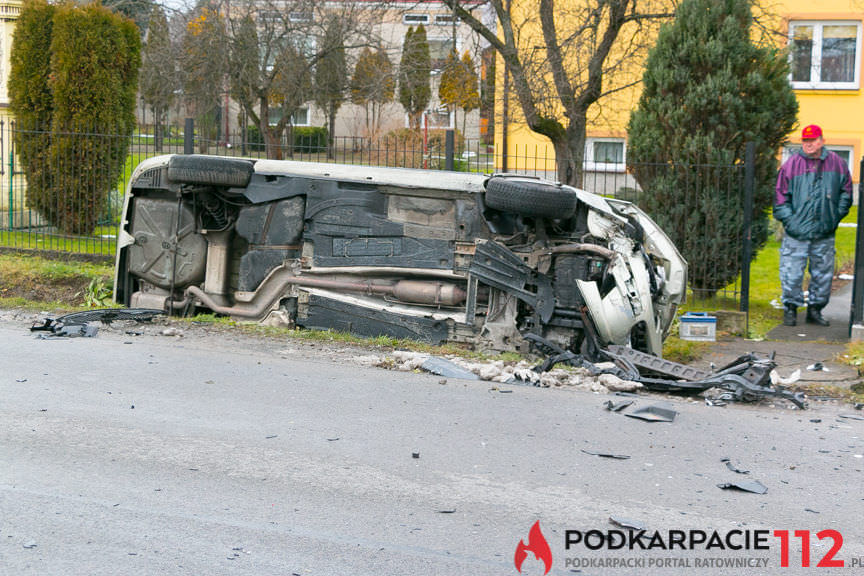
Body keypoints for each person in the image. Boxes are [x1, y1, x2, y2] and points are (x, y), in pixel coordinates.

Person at [774, 124, 852, 327]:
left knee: (823, 274)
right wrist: (791, 221)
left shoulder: (837, 164)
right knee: (791, 272)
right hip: (796, 233)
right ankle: (790, 309)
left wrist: (834, 216)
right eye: (805, 140)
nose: (808, 144)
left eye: (813, 140)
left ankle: (815, 310)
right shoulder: (791, 165)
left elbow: (846, 192)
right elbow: (780, 198)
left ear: (821, 140)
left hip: (824, 231)